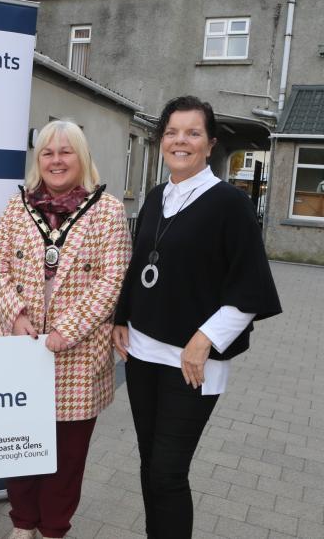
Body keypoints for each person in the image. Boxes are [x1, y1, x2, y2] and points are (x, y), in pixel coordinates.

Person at [112, 95, 281, 539]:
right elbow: (140, 264)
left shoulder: (229, 203)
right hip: (144, 354)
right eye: (171, 132)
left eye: (192, 133)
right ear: (161, 141)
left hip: (193, 362)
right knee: (151, 465)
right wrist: (121, 317)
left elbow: (251, 288)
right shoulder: (155, 197)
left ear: (210, 145)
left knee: (168, 473)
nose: (180, 141)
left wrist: (205, 338)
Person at [0, 120, 132, 539]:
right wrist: (15, 313)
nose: (56, 160)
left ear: (81, 157)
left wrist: (68, 328)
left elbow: (111, 279)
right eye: (48, 152)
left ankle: (53, 529)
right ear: (38, 160)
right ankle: (23, 523)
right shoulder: (17, 206)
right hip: (19, 345)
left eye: (65, 151)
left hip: (77, 353)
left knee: (66, 454)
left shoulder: (109, 210)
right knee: (19, 441)